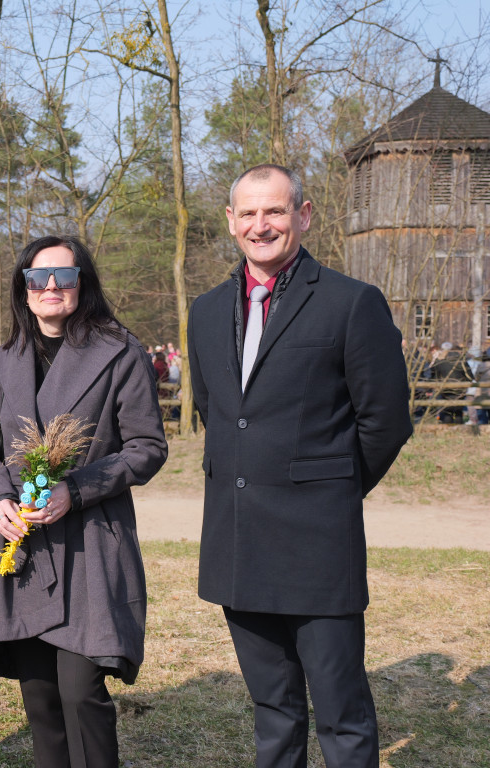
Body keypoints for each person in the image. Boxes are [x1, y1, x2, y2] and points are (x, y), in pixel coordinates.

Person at [187, 164, 413, 768]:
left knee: (342, 714)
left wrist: (328, 488)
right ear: (231, 221)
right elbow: (218, 413)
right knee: (274, 712)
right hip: (239, 541)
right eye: (249, 213)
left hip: (318, 544)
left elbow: (385, 421)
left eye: (276, 211)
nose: (261, 225)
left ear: (304, 216)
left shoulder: (351, 302)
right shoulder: (206, 311)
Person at [0, 234, 168, 768]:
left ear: (83, 283)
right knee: (41, 700)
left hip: (89, 543)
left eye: (64, 275)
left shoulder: (120, 351)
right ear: (23, 287)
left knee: (81, 694)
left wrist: (75, 490)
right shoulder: (7, 358)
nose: (50, 285)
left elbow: (147, 447)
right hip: (23, 545)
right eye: (38, 276)